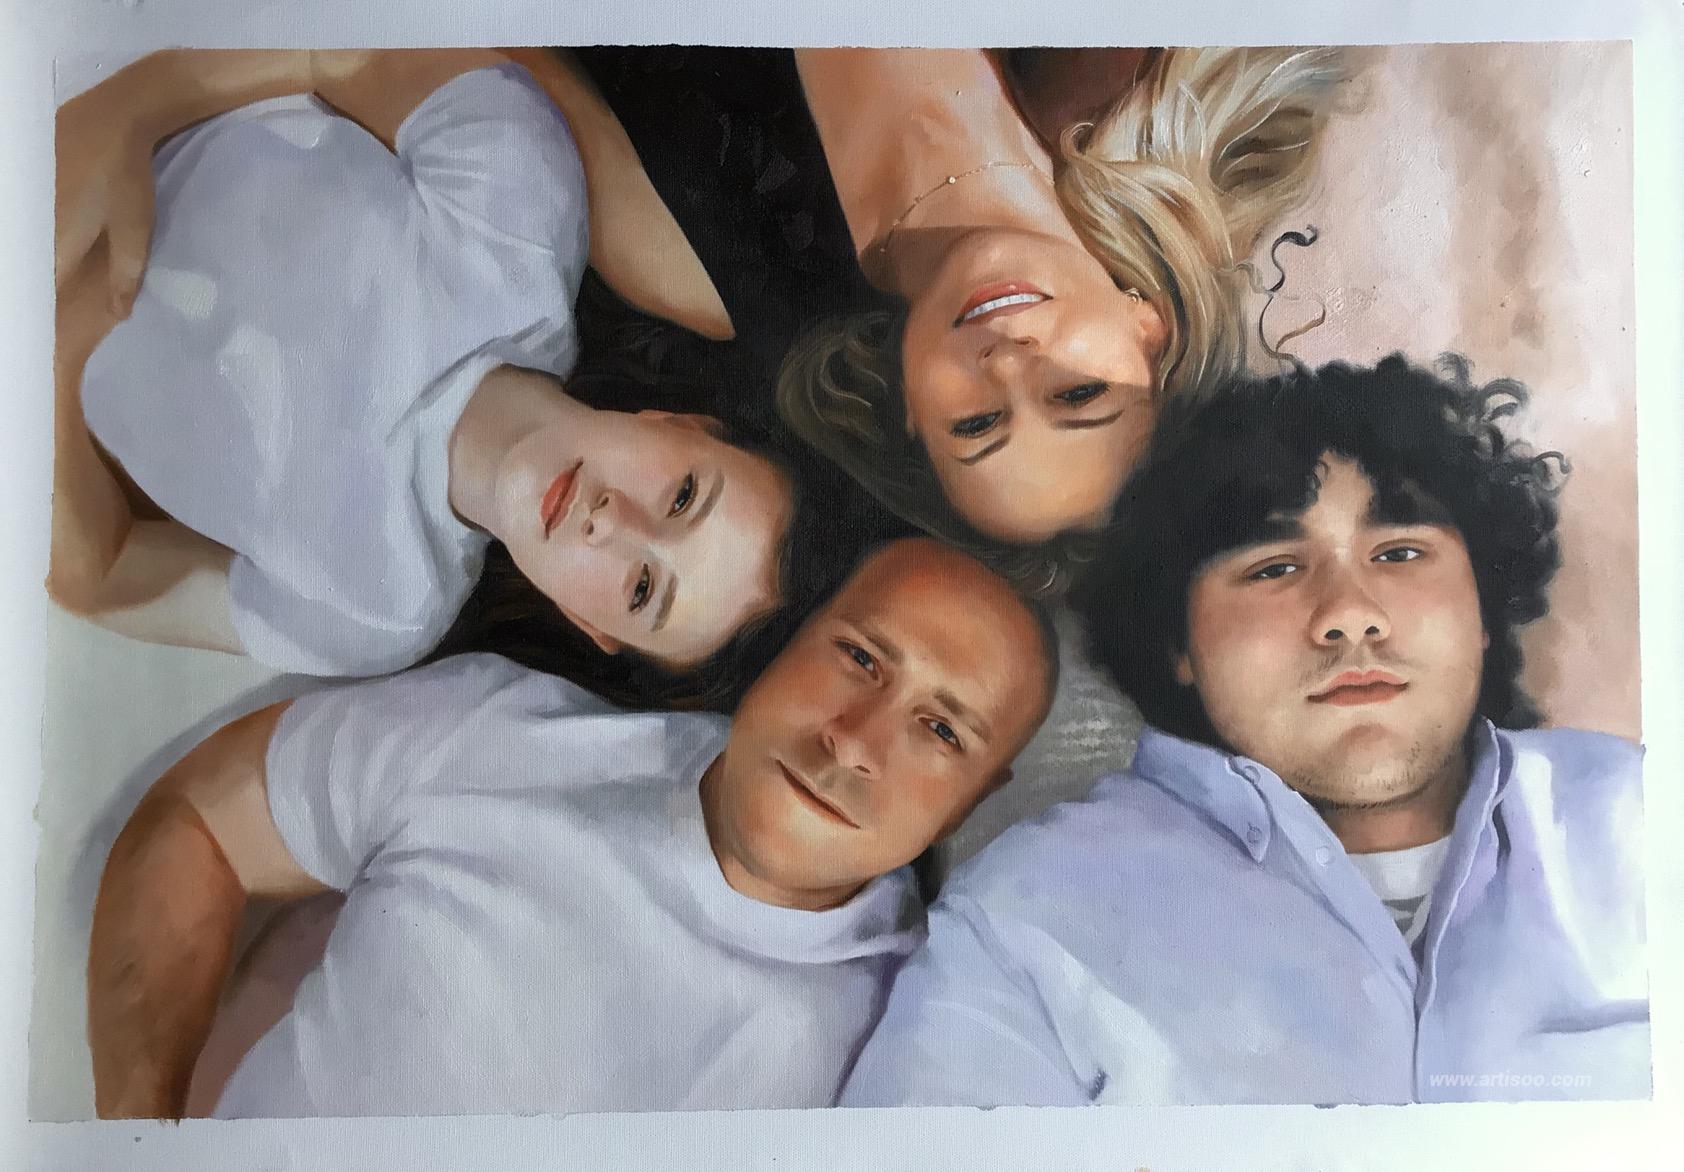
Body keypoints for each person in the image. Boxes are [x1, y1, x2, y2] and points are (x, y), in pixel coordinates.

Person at [843, 357, 1648, 1106]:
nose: (1350, 616)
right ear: (1178, 643)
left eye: (1401, 553)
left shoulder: (1642, 817)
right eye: (1274, 569)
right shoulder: (1024, 918)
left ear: (1483, 609)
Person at [86, 537, 1058, 1118]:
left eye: (940, 730)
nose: (854, 740)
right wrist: (136, 1140)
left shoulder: (918, 1043)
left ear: (976, 796)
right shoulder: (502, 729)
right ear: (790, 634)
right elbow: (199, 819)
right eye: (859, 658)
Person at [48, 50, 833, 691]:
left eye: (640, 589)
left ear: (587, 625)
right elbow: (330, 44)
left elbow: (98, 574)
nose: (610, 521)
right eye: (683, 495)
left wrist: (50, 350)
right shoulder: (522, 214)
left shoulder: (380, 614)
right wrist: (120, 115)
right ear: (677, 423)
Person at [777, 47, 1346, 588]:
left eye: (976, 424)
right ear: (1150, 327)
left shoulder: (772, 244)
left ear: (909, 408)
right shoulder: (1119, 65)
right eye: (1078, 393)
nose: (1007, 363)